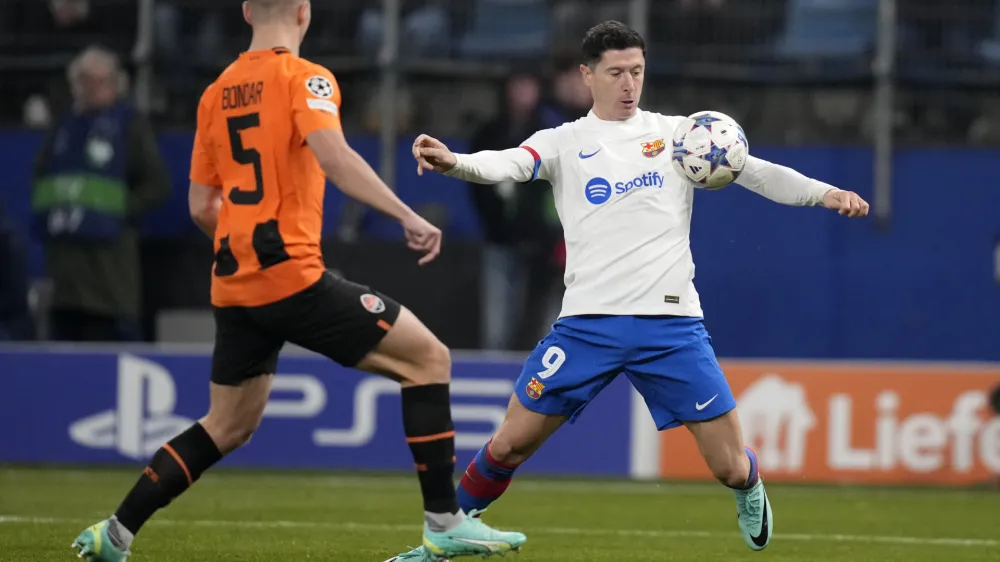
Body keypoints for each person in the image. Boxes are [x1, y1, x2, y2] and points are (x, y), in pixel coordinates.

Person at [397, 20, 870, 560]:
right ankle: (439, 542)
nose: (629, 84)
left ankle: (749, 486)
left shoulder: (682, 136)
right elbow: (508, 162)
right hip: (586, 326)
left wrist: (826, 193)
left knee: (729, 466)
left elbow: (758, 172)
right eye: (617, 72)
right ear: (587, 75)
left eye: (637, 72)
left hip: (671, 328)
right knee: (508, 443)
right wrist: (454, 162)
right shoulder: (563, 141)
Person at [70, 1, 526, 561]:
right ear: (305, 12)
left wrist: (244, 236)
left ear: (245, 12)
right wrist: (407, 214)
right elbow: (332, 157)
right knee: (428, 360)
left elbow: (199, 205)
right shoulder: (306, 78)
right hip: (289, 275)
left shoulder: (216, 91)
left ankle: (114, 533)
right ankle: (444, 522)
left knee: (227, 424)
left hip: (234, 284)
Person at [32, 45, 170, 342]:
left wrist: (120, 208)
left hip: (110, 281)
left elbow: (157, 184)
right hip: (64, 278)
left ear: (115, 83)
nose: (91, 88)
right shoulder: (63, 126)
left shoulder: (128, 126)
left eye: (100, 81)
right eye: (84, 81)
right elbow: (41, 178)